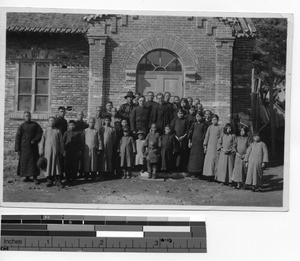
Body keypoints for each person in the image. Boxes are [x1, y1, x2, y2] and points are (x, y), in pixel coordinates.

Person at [15, 111, 43, 184]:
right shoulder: (22, 126)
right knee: (25, 162)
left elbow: (40, 133)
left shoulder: (35, 125)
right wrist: (17, 148)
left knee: (34, 162)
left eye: (29, 116)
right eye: (26, 116)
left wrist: (35, 140)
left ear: (31, 116)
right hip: (24, 147)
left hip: (33, 147)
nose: (28, 117)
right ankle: (27, 177)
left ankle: (35, 178)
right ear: (24, 117)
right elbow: (18, 137)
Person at [39, 116, 64, 187]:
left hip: (56, 152)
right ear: (48, 122)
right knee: (48, 166)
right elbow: (42, 142)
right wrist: (41, 151)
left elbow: (61, 142)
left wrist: (61, 151)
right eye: (50, 121)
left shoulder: (58, 131)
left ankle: (58, 181)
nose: (52, 122)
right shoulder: (45, 131)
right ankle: (49, 181)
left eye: (53, 121)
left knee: (56, 166)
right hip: (47, 152)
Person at [202, 114, 223, 181]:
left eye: (215, 120)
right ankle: (209, 175)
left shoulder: (220, 127)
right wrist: (205, 146)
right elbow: (207, 136)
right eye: (213, 120)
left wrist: (220, 146)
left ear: (218, 120)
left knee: (216, 161)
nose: (214, 121)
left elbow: (221, 137)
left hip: (216, 146)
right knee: (209, 161)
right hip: (210, 147)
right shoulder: (210, 127)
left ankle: (216, 176)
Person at [187, 111, 208, 178]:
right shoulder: (194, 124)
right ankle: (192, 172)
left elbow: (205, 134)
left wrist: (204, 144)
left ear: (202, 117)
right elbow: (190, 133)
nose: (198, 118)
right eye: (196, 116)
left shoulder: (204, 125)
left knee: (199, 159)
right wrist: (189, 142)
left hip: (200, 144)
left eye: (199, 116)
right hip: (194, 143)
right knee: (193, 158)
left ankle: (199, 173)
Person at [62, 120, 82, 186]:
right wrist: (64, 151)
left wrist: (79, 151)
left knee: (75, 166)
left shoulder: (77, 133)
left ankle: (73, 179)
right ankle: (67, 179)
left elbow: (80, 143)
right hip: (68, 152)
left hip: (75, 153)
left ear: (75, 125)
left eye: (73, 125)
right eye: (71, 125)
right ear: (68, 126)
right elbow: (63, 142)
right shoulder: (66, 133)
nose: (72, 126)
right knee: (67, 166)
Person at [54, 106, 68, 176]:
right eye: (61, 112)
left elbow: (65, 132)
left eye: (63, 112)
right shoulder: (57, 120)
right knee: (58, 158)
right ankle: (56, 174)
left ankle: (61, 173)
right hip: (57, 141)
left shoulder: (65, 121)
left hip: (63, 140)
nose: (62, 113)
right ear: (58, 112)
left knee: (62, 157)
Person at [74, 111, 88, 175]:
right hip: (76, 143)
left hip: (83, 142)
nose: (80, 116)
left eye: (81, 115)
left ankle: (82, 172)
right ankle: (75, 172)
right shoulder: (75, 124)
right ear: (77, 115)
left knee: (83, 158)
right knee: (76, 158)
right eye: (79, 114)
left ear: (83, 116)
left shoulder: (85, 124)